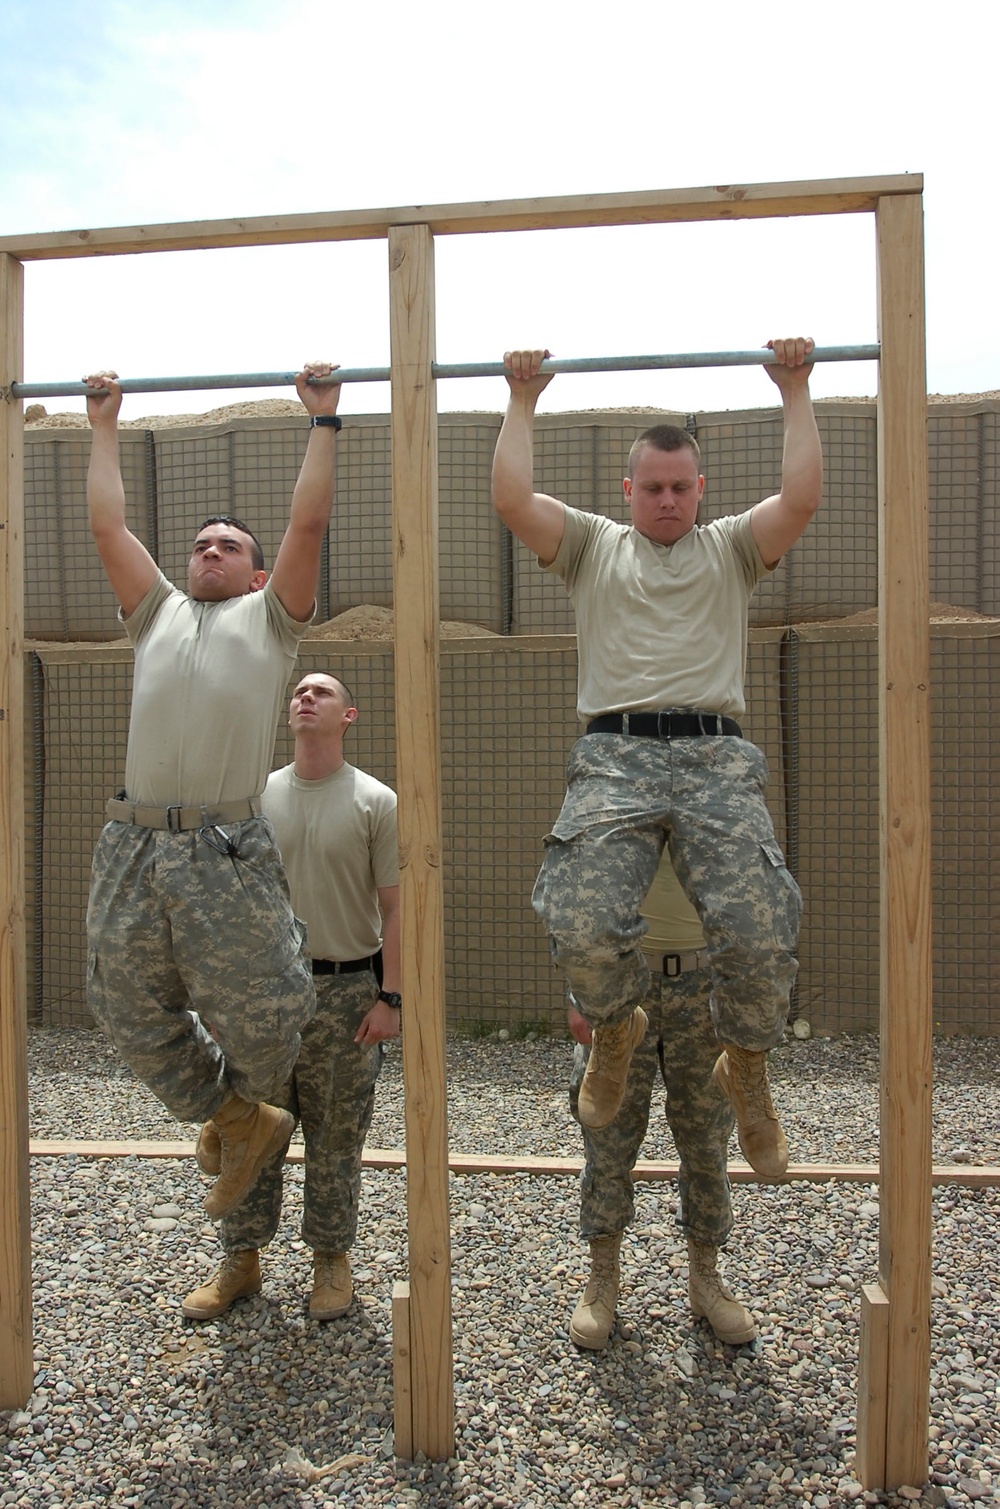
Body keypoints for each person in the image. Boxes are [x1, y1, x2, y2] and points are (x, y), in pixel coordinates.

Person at [492, 339, 821, 1177]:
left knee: (761, 929)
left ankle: (745, 1061)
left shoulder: (732, 549)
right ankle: (614, 1026)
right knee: (577, 917)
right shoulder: (596, 546)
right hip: (616, 753)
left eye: (682, 487)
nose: (668, 499)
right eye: (654, 487)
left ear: (699, 490)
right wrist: (521, 398)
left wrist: (796, 390)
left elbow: (802, 497)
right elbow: (512, 497)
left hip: (716, 757)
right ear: (628, 489)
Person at [83, 361, 343, 1221]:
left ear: (258, 575)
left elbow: (308, 522)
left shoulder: (272, 622)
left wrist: (323, 422)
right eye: (201, 543)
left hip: (224, 847)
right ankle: (235, 1115)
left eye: (230, 545)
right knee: (119, 1003)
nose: (209, 552)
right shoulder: (152, 612)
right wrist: (106, 425)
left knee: (271, 1007)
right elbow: (108, 522)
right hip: (134, 842)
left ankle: (246, 1125)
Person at [181, 671, 401, 1322]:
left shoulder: (376, 801)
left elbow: (396, 907)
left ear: (349, 715)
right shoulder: (254, 798)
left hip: (345, 992)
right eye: (299, 691)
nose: (305, 697)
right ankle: (240, 1261)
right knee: (254, 1132)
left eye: (322, 692)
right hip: (264, 994)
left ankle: (331, 1261)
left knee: (337, 1136)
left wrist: (391, 997)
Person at [568, 849, 754, 1350]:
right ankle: (602, 1278)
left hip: (706, 985)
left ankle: (706, 1279)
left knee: (707, 1141)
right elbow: (582, 883)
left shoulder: (715, 787)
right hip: (627, 984)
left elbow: (751, 889)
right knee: (608, 1138)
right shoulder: (620, 784)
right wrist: (581, 992)